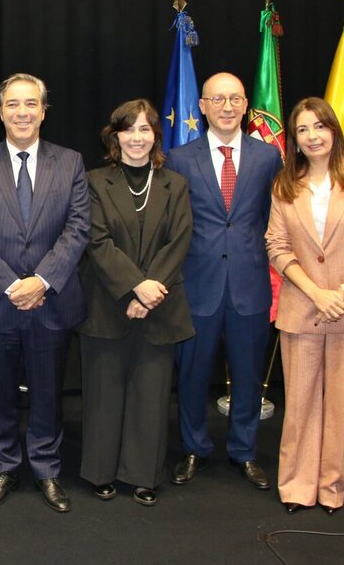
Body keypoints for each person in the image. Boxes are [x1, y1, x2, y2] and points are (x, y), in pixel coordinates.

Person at [0, 72, 90, 513]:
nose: (22, 112)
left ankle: (47, 469)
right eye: (12, 104)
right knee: (0, 393)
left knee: (48, 393)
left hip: (52, 300)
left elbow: (78, 228)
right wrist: (13, 286)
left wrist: (42, 281)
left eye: (31, 104)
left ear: (44, 111)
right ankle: (4, 468)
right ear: (0, 112)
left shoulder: (70, 162)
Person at [265, 97, 344, 515]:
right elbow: (277, 246)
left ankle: (331, 487)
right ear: (294, 139)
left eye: (319, 126)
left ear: (334, 130)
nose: (312, 136)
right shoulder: (285, 185)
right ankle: (297, 487)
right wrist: (316, 293)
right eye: (302, 129)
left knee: (341, 404)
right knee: (300, 403)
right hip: (302, 307)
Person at [166, 72, 283, 491]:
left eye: (235, 99)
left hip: (250, 287)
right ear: (202, 107)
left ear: (246, 104)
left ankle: (244, 452)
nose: (227, 107)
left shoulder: (268, 158)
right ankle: (194, 448)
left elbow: (273, 222)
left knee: (249, 377)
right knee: (192, 376)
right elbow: (173, 227)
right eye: (217, 99)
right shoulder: (179, 159)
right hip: (197, 287)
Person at [77, 100, 194, 507]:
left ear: (155, 136)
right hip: (107, 303)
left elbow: (179, 241)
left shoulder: (175, 184)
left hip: (160, 303)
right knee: (104, 394)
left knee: (151, 394)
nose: (137, 138)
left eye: (145, 129)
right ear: (115, 136)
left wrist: (149, 291)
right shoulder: (94, 182)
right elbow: (96, 241)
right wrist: (132, 288)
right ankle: (101, 472)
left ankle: (143, 475)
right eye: (129, 130)